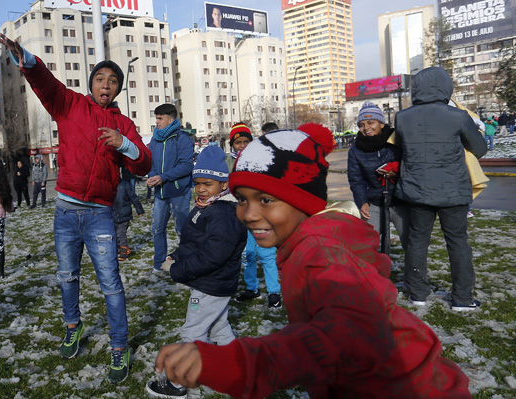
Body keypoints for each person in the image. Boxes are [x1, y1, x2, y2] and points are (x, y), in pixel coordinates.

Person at [152, 125, 472, 399]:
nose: (248, 214)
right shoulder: (302, 245)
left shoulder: (321, 256)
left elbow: (336, 336)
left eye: (265, 199)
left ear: (301, 199)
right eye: (243, 200)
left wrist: (239, 365)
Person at [0, 32, 151, 383]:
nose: (105, 85)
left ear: (118, 90)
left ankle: (119, 346)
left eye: (113, 81)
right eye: (100, 79)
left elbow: (144, 164)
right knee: (67, 276)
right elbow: (44, 82)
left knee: (110, 284)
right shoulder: (70, 105)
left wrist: (124, 143)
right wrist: (25, 57)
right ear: (91, 83)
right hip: (65, 211)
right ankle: (72, 326)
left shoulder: (124, 125)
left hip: (99, 215)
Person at [146, 146, 246, 399]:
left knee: (193, 331)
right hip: (211, 283)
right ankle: (241, 368)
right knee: (219, 328)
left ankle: (179, 383)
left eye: (208, 183)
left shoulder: (225, 213)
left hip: (211, 284)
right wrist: (176, 256)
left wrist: (179, 270)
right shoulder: (207, 206)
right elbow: (193, 243)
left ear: (224, 183)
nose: (201, 189)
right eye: (197, 183)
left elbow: (212, 255)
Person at [394, 67, 487, 310]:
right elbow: (479, 149)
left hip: (416, 190)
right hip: (452, 191)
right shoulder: (457, 116)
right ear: (447, 87)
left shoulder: (402, 117)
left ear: (417, 88)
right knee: (457, 242)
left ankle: (418, 293)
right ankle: (462, 298)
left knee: (417, 241)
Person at [230, 122, 282, 308]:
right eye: (238, 142)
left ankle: (274, 292)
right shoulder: (230, 163)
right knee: (248, 253)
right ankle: (252, 288)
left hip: (261, 213)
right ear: (232, 145)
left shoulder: (261, 158)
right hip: (243, 214)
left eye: (246, 141)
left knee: (266, 253)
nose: (242, 145)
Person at [347, 101, 409, 252]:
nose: (366, 128)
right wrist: (362, 202)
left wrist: (397, 173)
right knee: (365, 246)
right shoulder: (355, 151)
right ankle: (370, 275)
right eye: (361, 125)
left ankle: (415, 275)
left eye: (370, 122)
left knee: (412, 245)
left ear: (381, 123)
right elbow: (356, 180)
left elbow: (412, 165)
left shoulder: (397, 141)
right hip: (374, 203)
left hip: (402, 202)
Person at [147, 103, 194, 274]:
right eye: (156, 118)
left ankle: (186, 263)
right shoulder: (155, 139)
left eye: (160, 118)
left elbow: (187, 166)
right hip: (160, 194)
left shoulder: (183, 139)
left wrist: (163, 177)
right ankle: (159, 263)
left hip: (179, 193)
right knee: (157, 230)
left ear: (171, 119)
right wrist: (152, 175)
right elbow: (150, 162)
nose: (157, 122)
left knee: (182, 230)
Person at [113, 167, 144, 261]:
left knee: (121, 234)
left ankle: (124, 252)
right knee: (114, 233)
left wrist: (140, 210)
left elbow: (133, 198)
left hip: (124, 214)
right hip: (113, 214)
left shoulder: (125, 185)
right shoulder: (108, 186)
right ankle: (117, 250)